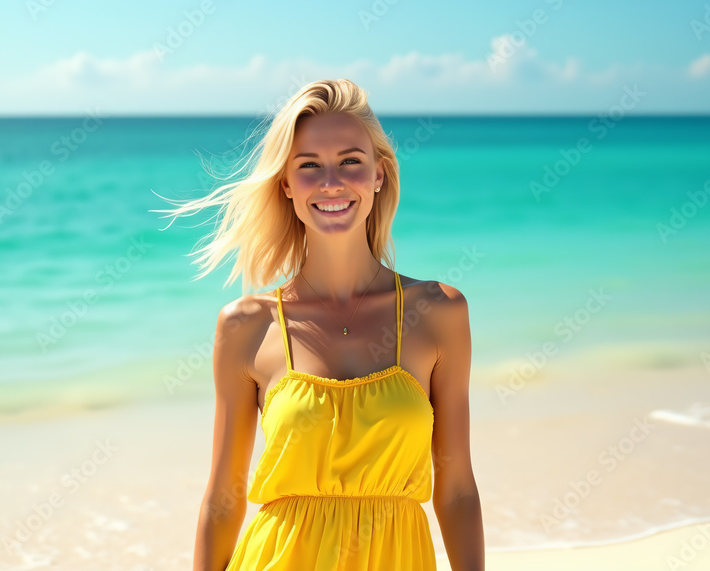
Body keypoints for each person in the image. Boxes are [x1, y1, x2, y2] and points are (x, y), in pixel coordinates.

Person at [156, 78, 483, 570]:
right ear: (286, 183)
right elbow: (223, 497)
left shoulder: (438, 311)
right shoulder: (246, 326)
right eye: (309, 166)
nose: (332, 181)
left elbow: (456, 490)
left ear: (379, 174)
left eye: (351, 161)